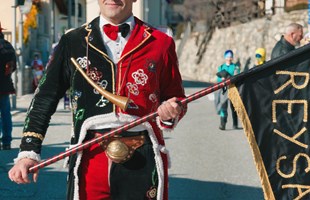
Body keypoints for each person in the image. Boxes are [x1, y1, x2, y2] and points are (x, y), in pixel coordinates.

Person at [8, 1, 186, 199]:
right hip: (89, 157)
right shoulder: (72, 41)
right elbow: (44, 98)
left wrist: (170, 111)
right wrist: (28, 152)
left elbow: (175, 96)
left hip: (143, 157)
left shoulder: (161, 42)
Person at [0, 22, 17, 150]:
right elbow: (14, 67)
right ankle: (6, 141)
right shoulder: (8, 46)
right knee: (6, 114)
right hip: (5, 86)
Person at [215, 50, 240, 130]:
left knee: (234, 108)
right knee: (223, 106)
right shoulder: (221, 67)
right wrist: (221, 79)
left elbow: (237, 76)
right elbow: (218, 79)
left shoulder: (235, 67)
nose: (229, 58)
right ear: (225, 57)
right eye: (227, 56)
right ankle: (223, 123)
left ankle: (235, 124)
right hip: (224, 90)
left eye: (230, 56)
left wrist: (229, 77)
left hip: (233, 89)